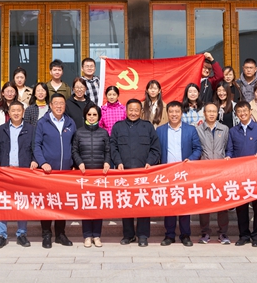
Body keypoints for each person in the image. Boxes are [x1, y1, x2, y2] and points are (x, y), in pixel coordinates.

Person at [111, 99, 161, 247]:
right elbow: (113, 147)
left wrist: (150, 162)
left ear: (141, 112)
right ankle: (128, 235)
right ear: (126, 111)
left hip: (143, 174)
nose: (133, 113)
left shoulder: (147, 127)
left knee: (142, 204)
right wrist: (118, 162)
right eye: (131, 110)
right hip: (124, 173)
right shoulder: (118, 127)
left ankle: (143, 235)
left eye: (136, 110)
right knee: (126, 203)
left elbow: (155, 149)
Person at [0, 101, 38, 249]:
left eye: (18, 110)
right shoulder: (2, 129)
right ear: (9, 113)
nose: (16, 113)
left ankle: (21, 234)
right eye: (13, 111)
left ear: (23, 112)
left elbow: (36, 147)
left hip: (23, 172)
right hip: (6, 171)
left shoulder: (31, 129)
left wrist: (35, 160)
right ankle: (2, 235)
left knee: (21, 203)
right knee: (4, 203)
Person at [225, 101, 257, 248]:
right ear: (236, 114)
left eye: (245, 110)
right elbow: (230, 150)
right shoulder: (233, 131)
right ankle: (244, 235)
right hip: (240, 175)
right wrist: (228, 156)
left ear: (250, 111)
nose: (243, 113)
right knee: (241, 208)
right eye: (239, 111)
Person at [33, 93, 77, 248]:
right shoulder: (42, 122)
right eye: (56, 103)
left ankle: (60, 234)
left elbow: (75, 145)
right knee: (47, 203)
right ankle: (46, 234)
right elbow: (36, 145)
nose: (59, 106)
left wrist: (74, 162)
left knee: (62, 204)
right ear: (50, 105)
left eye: (62, 103)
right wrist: (42, 162)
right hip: (48, 172)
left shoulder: (70, 122)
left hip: (65, 172)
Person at [156, 101, 202, 247]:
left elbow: (198, 149)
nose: (174, 114)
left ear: (181, 113)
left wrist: (191, 159)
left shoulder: (190, 130)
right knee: (169, 205)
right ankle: (169, 235)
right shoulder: (160, 130)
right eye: (171, 112)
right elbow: (156, 150)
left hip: (184, 173)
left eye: (177, 111)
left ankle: (185, 235)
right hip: (167, 173)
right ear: (167, 113)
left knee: (184, 205)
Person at [72, 103, 110, 248]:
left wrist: (106, 162)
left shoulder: (103, 133)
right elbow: (74, 150)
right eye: (89, 114)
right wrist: (79, 162)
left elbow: (108, 150)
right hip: (85, 175)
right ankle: (87, 236)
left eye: (95, 115)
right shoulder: (79, 132)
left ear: (99, 117)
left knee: (98, 206)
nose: (92, 117)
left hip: (100, 175)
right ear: (85, 116)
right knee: (87, 205)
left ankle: (97, 236)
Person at [195, 102, 231, 245]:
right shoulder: (198, 130)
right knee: (204, 204)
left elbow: (229, 148)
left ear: (218, 114)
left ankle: (223, 233)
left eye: (214, 112)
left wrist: (228, 156)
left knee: (222, 205)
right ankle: (205, 233)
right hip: (204, 173)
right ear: (204, 113)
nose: (211, 114)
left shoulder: (225, 129)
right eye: (208, 111)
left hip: (221, 172)